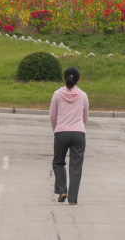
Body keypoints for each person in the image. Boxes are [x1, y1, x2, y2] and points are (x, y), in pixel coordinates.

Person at [50, 66, 89, 205]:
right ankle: (72, 199)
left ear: (64, 78)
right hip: (78, 133)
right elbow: (85, 116)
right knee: (76, 166)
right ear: (78, 80)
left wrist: (57, 129)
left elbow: (53, 116)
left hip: (61, 132)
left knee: (58, 162)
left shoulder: (57, 94)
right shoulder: (83, 95)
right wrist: (78, 126)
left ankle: (62, 190)